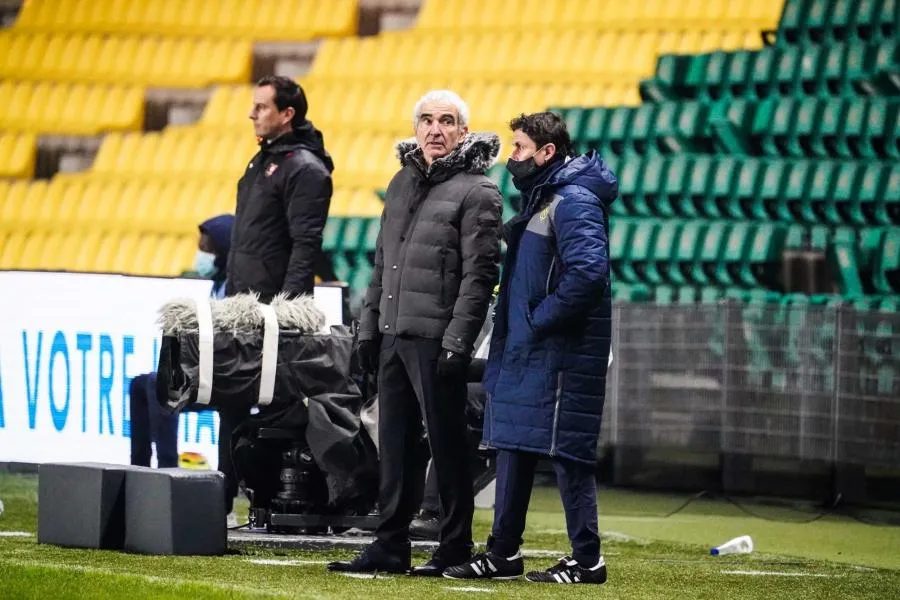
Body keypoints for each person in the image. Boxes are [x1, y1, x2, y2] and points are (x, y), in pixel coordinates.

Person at [328, 90, 503, 576]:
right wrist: (368, 329)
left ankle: (454, 546)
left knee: (447, 446)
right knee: (396, 443)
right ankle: (390, 544)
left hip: (437, 340)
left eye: (447, 121)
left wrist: (458, 341)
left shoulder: (479, 191)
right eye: (426, 120)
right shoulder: (401, 182)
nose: (435, 130)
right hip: (392, 334)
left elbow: (480, 276)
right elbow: (383, 263)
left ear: (463, 132)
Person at [443, 112, 617, 585]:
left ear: (547, 152)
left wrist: (538, 320)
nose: (512, 157)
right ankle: (502, 555)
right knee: (512, 447)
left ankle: (588, 561)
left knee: (568, 455)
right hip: (530, 350)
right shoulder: (547, 198)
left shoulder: (574, 200)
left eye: (519, 148)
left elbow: (588, 275)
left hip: (561, 354)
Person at [130, 214, 235, 471]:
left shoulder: (236, 287)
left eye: (205, 249)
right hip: (207, 370)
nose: (201, 256)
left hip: (227, 378)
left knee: (162, 384)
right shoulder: (218, 285)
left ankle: (168, 470)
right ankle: (139, 469)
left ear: (222, 250)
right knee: (139, 386)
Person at [227, 75, 334, 302]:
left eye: (262, 107)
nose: (251, 114)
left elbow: (305, 245)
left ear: (287, 114)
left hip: (271, 306)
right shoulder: (263, 159)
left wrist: (287, 308)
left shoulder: (305, 168)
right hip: (243, 300)